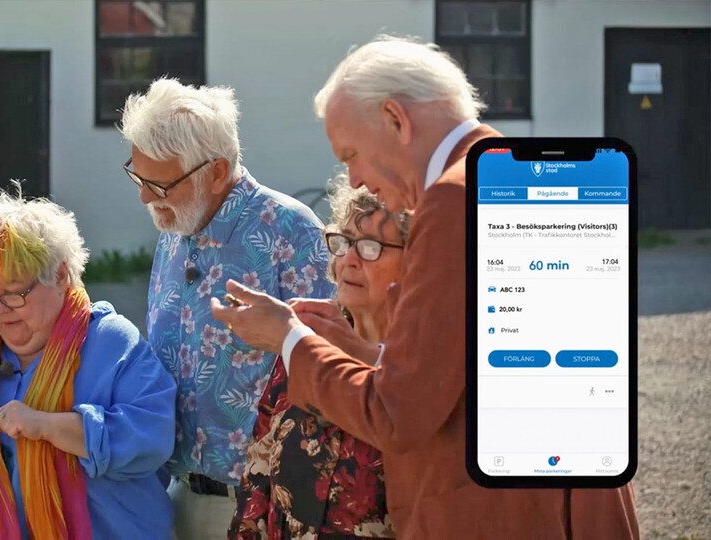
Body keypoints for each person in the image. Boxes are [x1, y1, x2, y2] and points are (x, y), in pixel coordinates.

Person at [211, 36, 639, 539]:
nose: (356, 180)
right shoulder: (519, 171)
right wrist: (372, 353)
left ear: (396, 119)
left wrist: (289, 337)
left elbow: (397, 415)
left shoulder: (452, 198)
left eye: (352, 155)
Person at [0, 187, 177, 539]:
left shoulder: (113, 344)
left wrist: (48, 426)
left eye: (14, 293)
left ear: (60, 276)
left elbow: (153, 438)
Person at [120, 77, 334, 539]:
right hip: (177, 494)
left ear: (217, 172)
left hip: (263, 506)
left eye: (159, 184)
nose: (144, 197)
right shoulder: (175, 228)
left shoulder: (292, 232)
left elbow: (330, 369)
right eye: (138, 178)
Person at [229, 175, 409, 539]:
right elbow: (258, 480)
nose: (350, 259)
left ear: (417, 264)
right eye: (344, 242)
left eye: (371, 246)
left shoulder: (431, 366)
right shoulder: (306, 340)